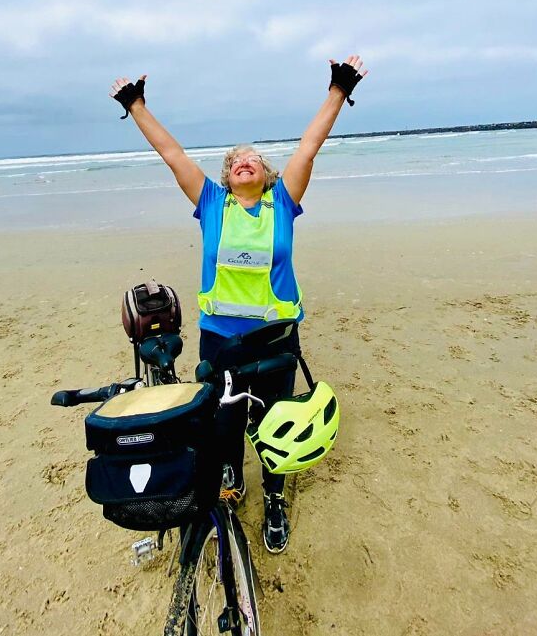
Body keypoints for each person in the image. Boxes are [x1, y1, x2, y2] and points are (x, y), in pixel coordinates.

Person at [109, 56, 368, 552]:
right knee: (224, 427)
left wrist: (338, 90)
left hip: (275, 341)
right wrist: (136, 105)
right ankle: (233, 479)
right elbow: (172, 154)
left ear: (267, 172)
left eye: (250, 157)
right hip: (220, 342)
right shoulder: (210, 203)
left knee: (275, 424)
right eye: (231, 161)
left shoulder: (283, 201)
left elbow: (309, 147)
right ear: (225, 178)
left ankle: (275, 498)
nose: (240, 161)